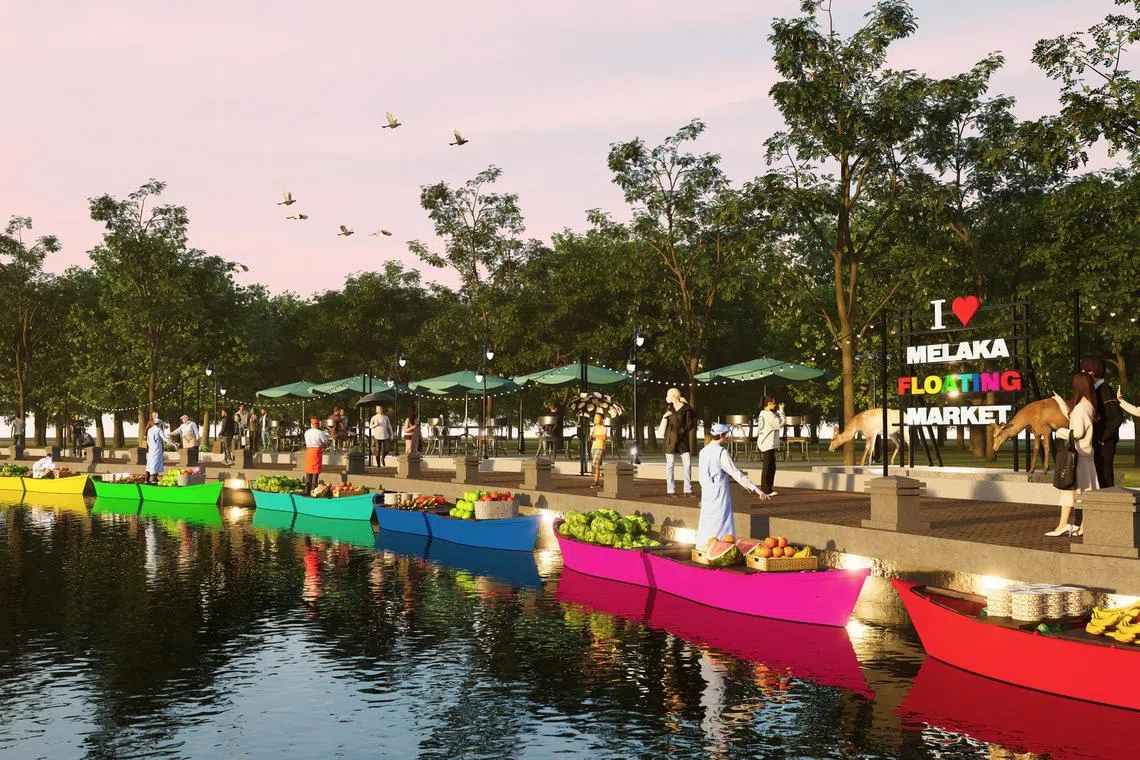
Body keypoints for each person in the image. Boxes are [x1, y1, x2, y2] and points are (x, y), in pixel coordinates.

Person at [697, 423, 770, 545]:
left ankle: (702, 546)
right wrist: (756, 489)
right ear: (721, 435)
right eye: (726, 435)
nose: (727, 437)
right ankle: (724, 546)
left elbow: (702, 475)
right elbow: (735, 473)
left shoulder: (703, 451)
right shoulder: (721, 452)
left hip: (706, 492)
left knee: (706, 521)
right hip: (720, 492)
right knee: (722, 522)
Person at [1047, 373, 1100, 537]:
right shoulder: (1089, 405)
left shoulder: (1081, 408)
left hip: (1078, 456)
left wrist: (1060, 432)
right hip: (1086, 455)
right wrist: (1061, 403)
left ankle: (1063, 526)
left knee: (1068, 490)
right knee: (1084, 492)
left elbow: (1077, 432)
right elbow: (1075, 419)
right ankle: (1082, 526)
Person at [1080, 357, 1123, 489]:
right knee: (1100, 475)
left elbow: (1117, 418)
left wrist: (1102, 438)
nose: (1082, 375)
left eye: (1083, 371)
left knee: (1105, 476)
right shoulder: (1097, 391)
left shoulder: (1104, 390)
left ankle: (1109, 501)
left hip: (1105, 444)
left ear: (1091, 372)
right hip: (1100, 442)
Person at [661, 388, 695, 497]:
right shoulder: (669, 408)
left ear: (674, 396)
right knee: (670, 465)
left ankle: (688, 490)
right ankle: (670, 490)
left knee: (687, 463)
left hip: (682, 439)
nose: (667, 397)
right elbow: (666, 422)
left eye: (669, 395)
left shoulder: (687, 408)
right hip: (670, 438)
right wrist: (664, 416)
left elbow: (690, 424)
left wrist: (682, 431)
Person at [756, 396, 786, 496]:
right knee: (768, 467)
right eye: (774, 403)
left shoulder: (763, 413)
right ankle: (766, 489)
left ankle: (768, 488)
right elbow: (779, 424)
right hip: (767, 443)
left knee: (771, 466)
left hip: (765, 442)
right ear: (769, 403)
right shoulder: (769, 414)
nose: (775, 404)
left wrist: (778, 413)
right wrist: (781, 411)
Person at [302, 417, 329, 495]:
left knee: (309, 470)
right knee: (315, 470)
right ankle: (313, 490)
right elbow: (324, 441)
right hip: (317, 451)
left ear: (311, 424)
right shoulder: (320, 433)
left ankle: (307, 489)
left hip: (309, 451)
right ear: (318, 424)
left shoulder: (307, 432)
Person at [145, 417, 175, 485]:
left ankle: (146, 479)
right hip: (157, 449)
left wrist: (150, 446)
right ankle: (154, 478)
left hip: (151, 449)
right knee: (156, 462)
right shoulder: (158, 430)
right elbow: (165, 438)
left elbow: (148, 440)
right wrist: (173, 444)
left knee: (149, 463)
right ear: (159, 423)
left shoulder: (149, 430)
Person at [589, 412, 608, 488]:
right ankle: (602, 476)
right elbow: (590, 438)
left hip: (600, 447)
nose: (596, 419)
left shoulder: (603, 428)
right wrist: (591, 436)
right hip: (593, 447)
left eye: (598, 418)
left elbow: (604, 438)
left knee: (595, 464)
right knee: (596, 465)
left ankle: (596, 480)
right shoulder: (593, 428)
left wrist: (596, 435)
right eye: (595, 418)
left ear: (601, 419)